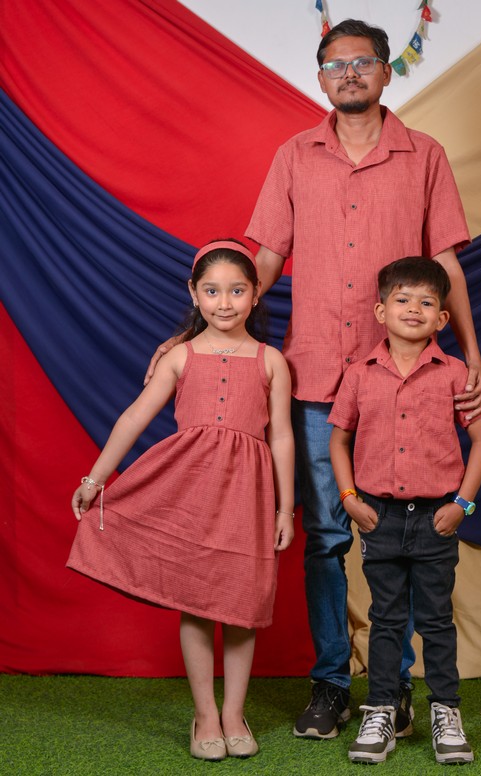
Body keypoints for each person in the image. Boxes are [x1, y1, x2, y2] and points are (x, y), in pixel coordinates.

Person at [243, 18, 481, 740]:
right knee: (325, 537)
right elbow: (266, 256)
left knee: (405, 539)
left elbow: (445, 264)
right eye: (334, 64)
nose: (348, 73)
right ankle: (330, 684)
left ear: (386, 72)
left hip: (403, 383)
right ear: (320, 78)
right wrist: (215, 327)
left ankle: (396, 688)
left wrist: (472, 356)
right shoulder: (294, 155)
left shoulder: (425, 155)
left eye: (362, 62)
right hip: (317, 378)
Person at [68, 240, 295, 761]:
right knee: (196, 604)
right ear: (194, 294)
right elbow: (134, 416)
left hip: (246, 497)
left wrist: (284, 508)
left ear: (255, 294)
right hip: (187, 492)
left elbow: (282, 436)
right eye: (212, 291)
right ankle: (206, 715)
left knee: (240, 605)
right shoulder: (179, 356)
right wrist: (96, 478)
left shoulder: (271, 361)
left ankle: (235, 713)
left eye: (236, 291)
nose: (224, 302)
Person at [329, 257, 481, 764]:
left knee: (437, 620)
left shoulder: (456, 374)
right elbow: (339, 440)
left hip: (436, 518)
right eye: (402, 299)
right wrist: (349, 498)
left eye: (426, 302)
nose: (414, 309)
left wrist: (462, 504)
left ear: (442, 318)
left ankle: (446, 712)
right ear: (381, 311)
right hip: (378, 517)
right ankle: (381, 710)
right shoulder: (359, 375)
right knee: (385, 619)